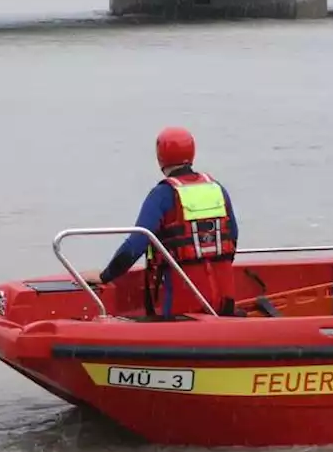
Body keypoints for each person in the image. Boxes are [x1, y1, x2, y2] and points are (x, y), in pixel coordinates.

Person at [82, 127, 240, 317]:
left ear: (160, 158)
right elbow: (233, 236)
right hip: (224, 304)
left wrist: (105, 276)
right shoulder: (217, 189)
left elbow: (135, 246)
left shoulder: (162, 195)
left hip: (184, 310)